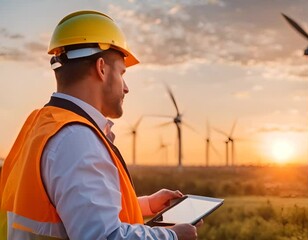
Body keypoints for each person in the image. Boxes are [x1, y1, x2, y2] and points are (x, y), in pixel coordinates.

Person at [0, 10, 201, 240]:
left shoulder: (42, 125)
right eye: (122, 73)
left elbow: (72, 208)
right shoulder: (75, 139)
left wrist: (146, 206)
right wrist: (173, 237)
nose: (126, 88)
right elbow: (103, 235)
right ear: (102, 68)